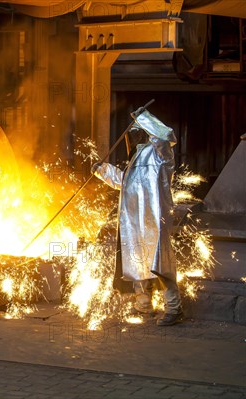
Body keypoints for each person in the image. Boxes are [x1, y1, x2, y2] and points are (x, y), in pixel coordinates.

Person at [91, 110, 182, 326]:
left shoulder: (161, 155)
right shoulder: (136, 159)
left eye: (134, 134)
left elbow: (167, 136)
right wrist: (102, 170)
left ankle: (174, 308)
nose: (131, 140)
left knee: (160, 263)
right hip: (134, 220)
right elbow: (124, 181)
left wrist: (144, 116)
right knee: (138, 260)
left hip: (155, 219)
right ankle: (143, 304)